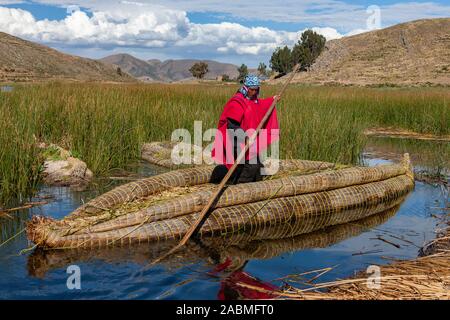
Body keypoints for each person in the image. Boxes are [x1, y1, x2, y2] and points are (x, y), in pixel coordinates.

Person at [210, 74, 280, 184]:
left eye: (257, 90)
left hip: (247, 139)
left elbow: (260, 105)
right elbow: (232, 125)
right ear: (246, 88)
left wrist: (272, 100)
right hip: (235, 138)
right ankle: (238, 186)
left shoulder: (252, 99)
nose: (255, 92)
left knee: (257, 168)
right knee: (250, 166)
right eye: (252, 90)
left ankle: (246, 185)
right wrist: (245, 138)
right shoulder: (237, 102)